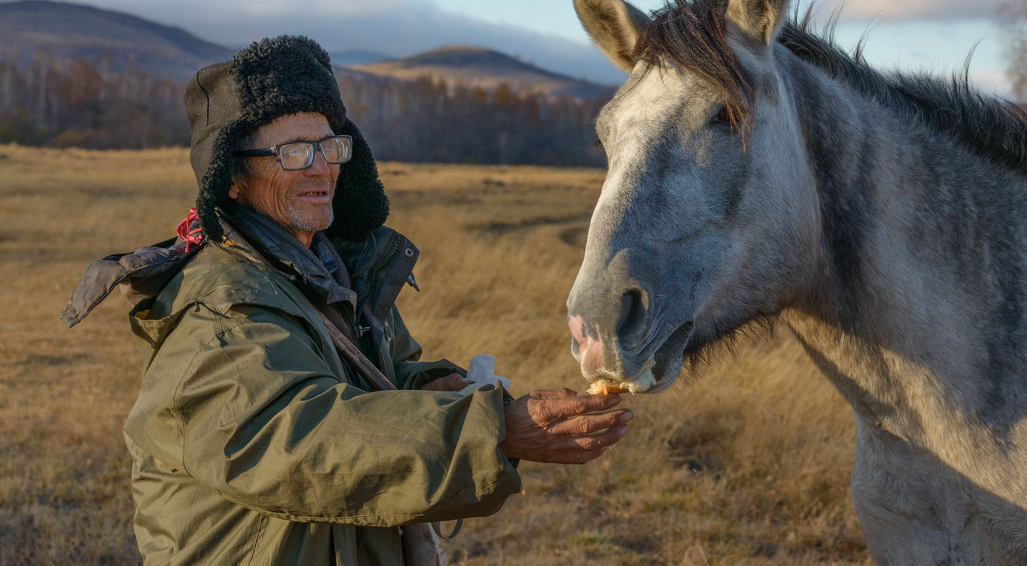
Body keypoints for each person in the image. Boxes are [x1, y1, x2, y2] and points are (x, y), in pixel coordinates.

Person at [61, 35, 632, 566]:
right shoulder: (219, 310)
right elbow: (302, 444)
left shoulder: (338, 271)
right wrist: (491, 431)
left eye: (329, 146)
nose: (321, 168)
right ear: (232, 180)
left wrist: (434, 388)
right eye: (291, 153)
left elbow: (381, 374)